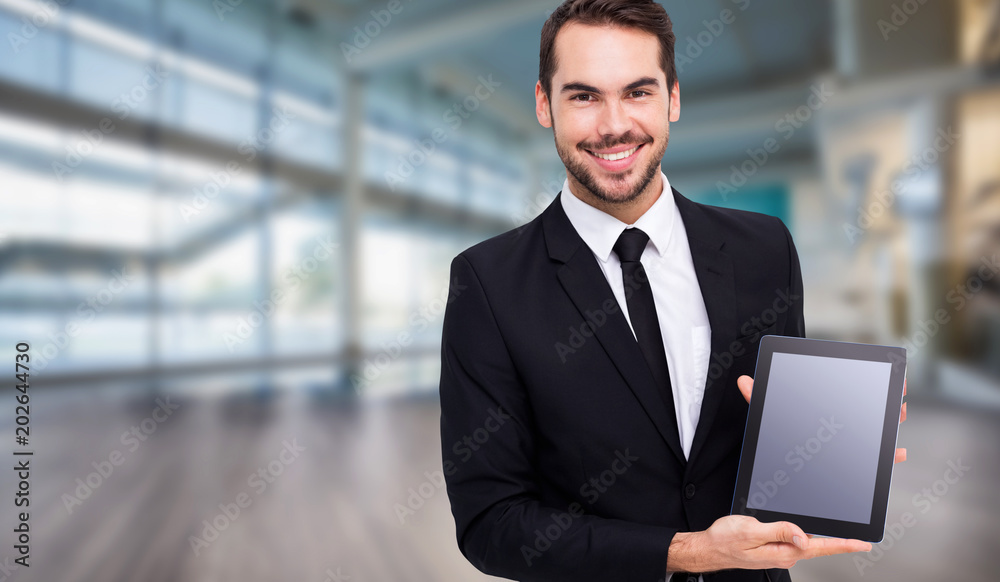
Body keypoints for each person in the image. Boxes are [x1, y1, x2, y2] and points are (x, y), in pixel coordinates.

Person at [438, 1, 906, 581]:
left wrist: (838, 453)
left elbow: (778, 447)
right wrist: (686, 554)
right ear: (544, 104)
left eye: (638, 92)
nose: (613, 125)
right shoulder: (489, 283)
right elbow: (491, 523)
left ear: (673, 98)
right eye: (584, 96)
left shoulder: (764, 249)